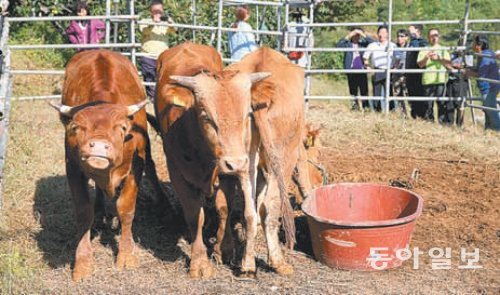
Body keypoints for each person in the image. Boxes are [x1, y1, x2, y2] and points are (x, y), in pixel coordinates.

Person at [139, 0, 176, 100]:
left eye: (160, 11)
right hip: (148, 55)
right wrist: (153, 23)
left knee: (163, 78)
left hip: (163, 56)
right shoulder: (144, 21)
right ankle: (152, 100)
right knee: (149, 79)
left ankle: (162, 99)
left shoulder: (165, 22)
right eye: (155, 11)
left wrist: (170, 22)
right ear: (150, 11)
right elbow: (144, 31)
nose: (158, 14)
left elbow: (175, 30)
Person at [464, 35, 500, 131]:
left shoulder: (485, 56)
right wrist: (470, 68)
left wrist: (466, 72)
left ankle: (497, 131)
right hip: (491, 87)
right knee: (488, 111)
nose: (472, 45)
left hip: (489, 88)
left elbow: (481, 74)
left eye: (474, 43)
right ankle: (489, 131)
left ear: (478, 45)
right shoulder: (485, 54)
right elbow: (481, 70)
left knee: (492, 112)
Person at [417, 28, 451, 123]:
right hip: (428, 80)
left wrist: (439, 59)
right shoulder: (424, 50)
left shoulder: (444, 50)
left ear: (438, 36)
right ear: (428, 37)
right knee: (428, 104)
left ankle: (442, 123)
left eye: (435, 35)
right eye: (431, 36)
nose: (434, 38)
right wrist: (426, 57)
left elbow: (449, 64)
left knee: (441, 103)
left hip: (440, 80)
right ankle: (429, 123)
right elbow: (420, 65)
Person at [337, 27, 374, 110]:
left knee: (364, 90)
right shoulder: (347, 44)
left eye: (358, 35)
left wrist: (363, 34)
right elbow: (338, 45)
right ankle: (355, 107)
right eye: (355, 35)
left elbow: (373, 43)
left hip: (361, 70)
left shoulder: (363, 44)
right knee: (353, 90)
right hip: (351, 70)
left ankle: (366, 107)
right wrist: (349, 35)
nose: (356, 36)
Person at [363, 25, 397, 112]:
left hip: (389, 70)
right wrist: (367, 66)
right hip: (377, 71)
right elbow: (365, 57)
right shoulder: (372, 45)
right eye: (380, 32)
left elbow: (398, 58)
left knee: (389, 92)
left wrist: (395, 68)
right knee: (376, 92)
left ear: (388, 34)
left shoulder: (393, 46)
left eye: (384, 32)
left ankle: (391, 111)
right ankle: (377, 111)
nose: (382, 35)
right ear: (377, 34)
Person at [406, 24, 428, 119]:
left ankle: (422, 116)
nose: (409, 31)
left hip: (418, 73)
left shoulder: (422, 42)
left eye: (411, 29)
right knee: (411, 95)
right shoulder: (410, 42)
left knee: (420, 94)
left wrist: (414, 37)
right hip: (410, 73)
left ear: (417, 30)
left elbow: (418, 51)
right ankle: (414, 115)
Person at [444, 42, 468, 127]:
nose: (460, 49)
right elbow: (447, 64)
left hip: (462, 81)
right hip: (452, 81)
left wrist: (459, 67)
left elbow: (468, 68)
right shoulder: (452, 55)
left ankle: (459, 124)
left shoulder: (468, 56)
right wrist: (454, 66)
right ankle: (449, 123)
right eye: (459, 47)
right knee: (450, 102)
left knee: (461, 103)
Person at [392, 29, 410, 115]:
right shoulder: (395, 48)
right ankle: (404, 115)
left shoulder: (410, 47)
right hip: (397, 74)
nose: (399, 38)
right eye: (398, 36)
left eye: (402, 36)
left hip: (407, 75)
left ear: (407, 37)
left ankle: (413, 115)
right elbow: (393, 61)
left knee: (409, 95)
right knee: (398, 94)